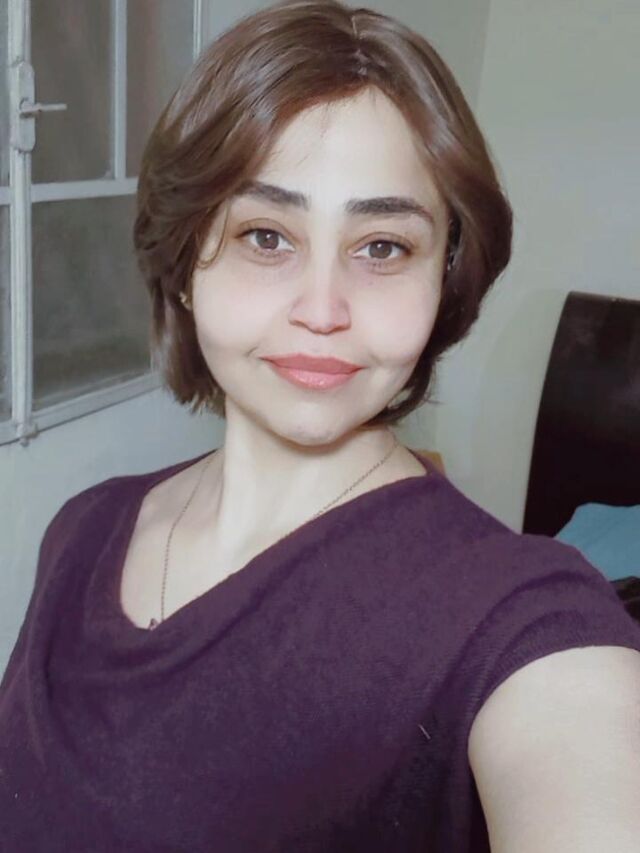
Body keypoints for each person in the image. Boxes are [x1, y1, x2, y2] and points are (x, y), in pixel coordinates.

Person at [2, 1, 640, 850]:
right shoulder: (81, 531)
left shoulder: (519, 615)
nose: (323, 309)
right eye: (267, 236)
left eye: (382, 247)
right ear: (185, 262)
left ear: (445, 277)